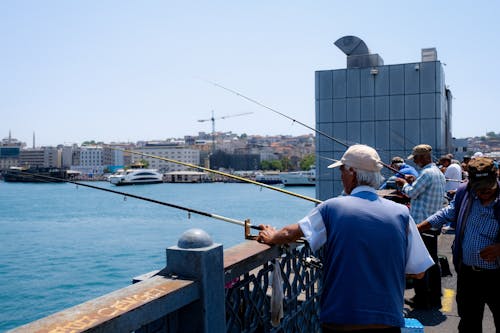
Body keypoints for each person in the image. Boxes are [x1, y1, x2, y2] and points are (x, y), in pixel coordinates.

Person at [257, 144, 434, 333]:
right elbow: (419, 272)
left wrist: (272, 235)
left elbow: (290, 234)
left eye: (342, 170)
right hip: (386, 320)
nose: (341, 176)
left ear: (352, 173)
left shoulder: (331, 208)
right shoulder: (401, 214)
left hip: (341, 320)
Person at [417, 157, 500, 332]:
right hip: (469, 274)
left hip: (497, 275)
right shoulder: (465, 192)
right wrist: (419, 227)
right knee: (469, 322)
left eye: (488, 186)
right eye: (479, 187)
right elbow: (448, 212)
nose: (484, 191)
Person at [395, 144, 446, 309]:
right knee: (432, 261)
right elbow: (421, 189)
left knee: (419, 262)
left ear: (423, 157)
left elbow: (410, 193)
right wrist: (413, 181)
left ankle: (422, 299)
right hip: (432, 224)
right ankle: (435, 296)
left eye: (416, 158)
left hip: (421, 226)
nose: (415, 161)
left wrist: (403, 183)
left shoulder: (426, 173)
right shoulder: (437, 173)